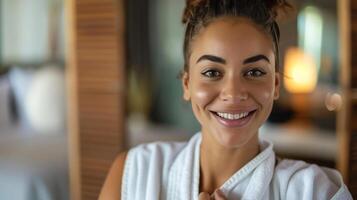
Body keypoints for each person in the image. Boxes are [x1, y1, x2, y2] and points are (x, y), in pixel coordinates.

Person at [99, 0, 352, 199]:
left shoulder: (315, 192)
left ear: (275, 85)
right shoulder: (133, 173)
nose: (233, 92)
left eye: (254, 72)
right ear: (187, 84)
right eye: (212, 73)